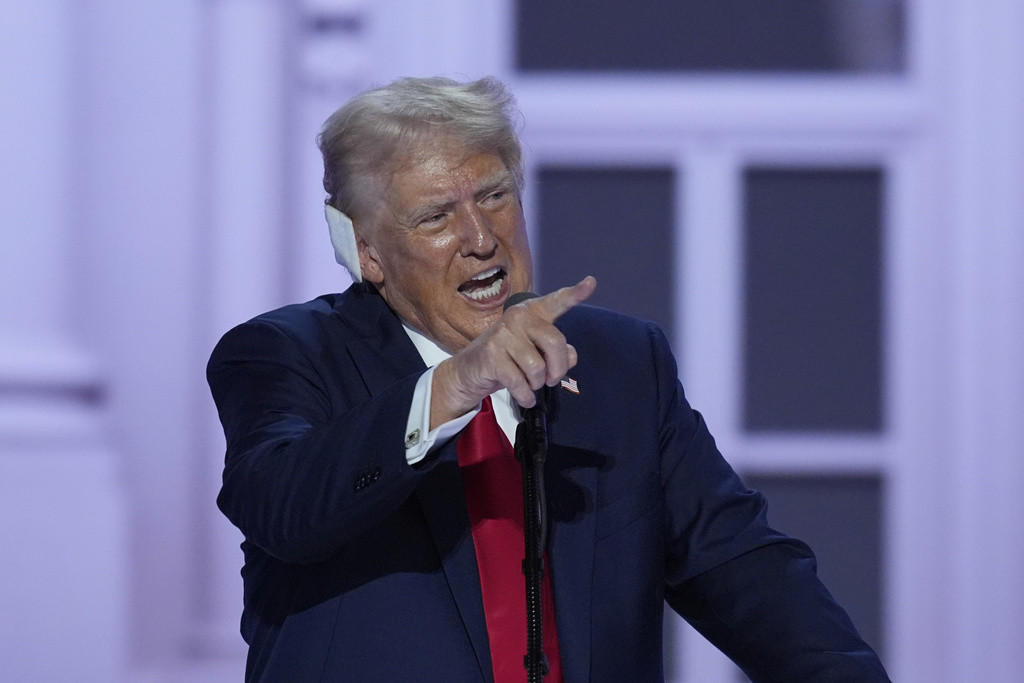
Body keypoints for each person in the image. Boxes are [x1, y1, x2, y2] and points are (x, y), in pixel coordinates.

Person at [208, 76, 890, 682]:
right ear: (367, 252)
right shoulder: (281, 354)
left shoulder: (620, 361)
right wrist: (455, 384)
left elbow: (743, 567)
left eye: (495, 196)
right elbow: (281, 504)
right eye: (437, 216)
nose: (481, 237)